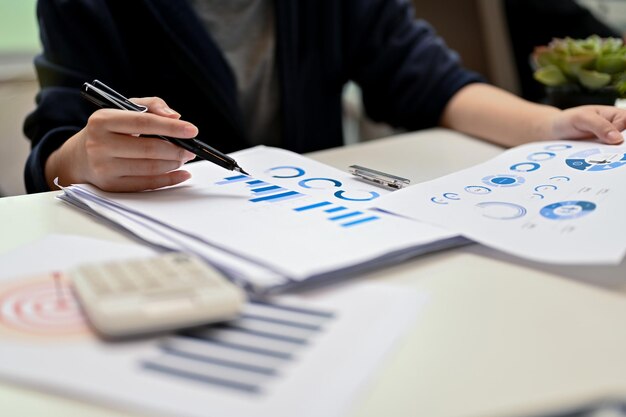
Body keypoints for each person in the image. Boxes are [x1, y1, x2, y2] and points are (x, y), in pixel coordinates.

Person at [24, 0, 626, 194]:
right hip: (172, 245)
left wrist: (551, 125)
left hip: (317, 229)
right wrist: (80, 161)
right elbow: (55, 146)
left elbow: (430, 81)